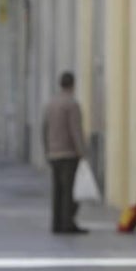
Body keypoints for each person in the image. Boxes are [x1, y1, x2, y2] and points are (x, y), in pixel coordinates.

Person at [42, 71, 87, 235]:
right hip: (68, 154)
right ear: (73, 84)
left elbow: (44, 128)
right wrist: (81, 151)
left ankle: (56, 223)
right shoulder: (72, 104)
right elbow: (75, 129)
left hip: (54, 153)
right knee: (69, 191)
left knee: (57, 191)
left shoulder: (51, 103)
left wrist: (47, 150)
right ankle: (67, 223)